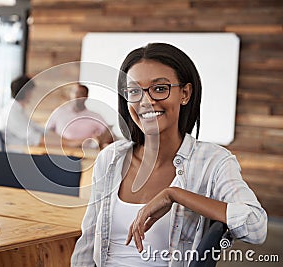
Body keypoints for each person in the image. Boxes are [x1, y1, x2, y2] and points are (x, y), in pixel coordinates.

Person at [71, 43, 267, 266]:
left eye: (160, 88)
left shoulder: (213, 162)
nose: (146, 101)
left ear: (185, 93)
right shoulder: (111, 158)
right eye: (134, 91)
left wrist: (175, 194)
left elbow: (256, 227)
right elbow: (87, 242)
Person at [0, 75, 85, 151]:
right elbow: (36, 138)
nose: (32, 95)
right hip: (16, 158)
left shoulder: (15, 109)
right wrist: (70, 143)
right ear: (26, 92)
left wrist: (70, 141)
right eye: (31, 92)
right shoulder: (12, 113)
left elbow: (40, 130)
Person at [46, 83, 113, 148]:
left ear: (86, 96)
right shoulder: (59, 112)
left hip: (84, 153)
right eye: (75, 93)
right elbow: (47, 132)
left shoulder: (95, 117)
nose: (77, 96)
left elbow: (109, 135)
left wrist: (100, 140)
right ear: (71, 95)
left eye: (81, 94)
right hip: (59, 150)